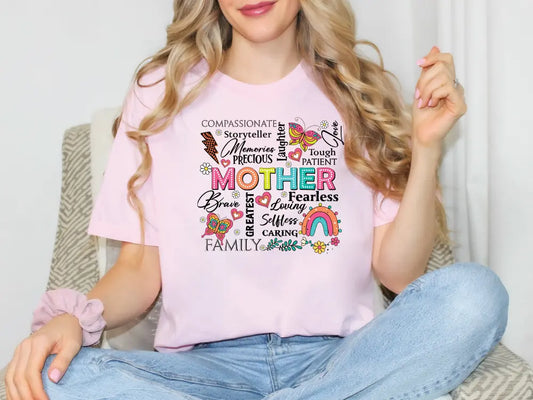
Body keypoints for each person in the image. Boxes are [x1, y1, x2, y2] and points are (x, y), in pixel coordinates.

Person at [5, 0, 509, 399]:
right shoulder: (159, 93)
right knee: (51, 377)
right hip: (204, 373)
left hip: (340, 360)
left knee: (475, 296)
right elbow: (139, 273)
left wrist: (426, 147)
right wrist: (75, 317)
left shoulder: (360, 92)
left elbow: (400, 275)